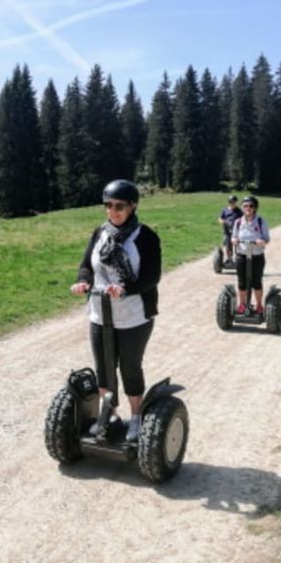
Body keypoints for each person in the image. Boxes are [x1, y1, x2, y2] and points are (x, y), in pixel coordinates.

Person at [70, 179, 161, 442]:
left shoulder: (145, 236)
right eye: (108, 205)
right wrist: (83, 282)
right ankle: (109, 415)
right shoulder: (100, 233)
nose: (113, 211)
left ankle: (136, 417)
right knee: (104, 368)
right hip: (100, 313)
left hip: (134, 316)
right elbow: (87, 265)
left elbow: (152, 276)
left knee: (130, 368)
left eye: (119, 206)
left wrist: (126, 288)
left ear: (133, 206)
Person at [231, 195, 270, 315]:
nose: (248, 208)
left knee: (256, 281)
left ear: (255, 208)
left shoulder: (261, 221)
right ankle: (242, 305)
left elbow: (267, 239)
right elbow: (233, 237)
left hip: (256, 255)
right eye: (245, 206)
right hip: (241, 254)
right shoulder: (238, 222)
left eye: (251, 206)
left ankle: (259, 305)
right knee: (242, 282)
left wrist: (261, 241)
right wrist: (234, 240)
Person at [218, 195, 242, 263]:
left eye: (234, 202)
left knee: (237, 243)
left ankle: (238, 258)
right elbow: (220, 218)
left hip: (236, 229)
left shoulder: (239, 211)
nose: (233, 203)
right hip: (227, 229)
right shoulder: (224, 210)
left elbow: (242, 219)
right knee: (228, 244)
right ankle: (229, 258)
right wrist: (222, 221)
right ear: (229, 202)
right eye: (231, 202)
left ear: (236, 202)